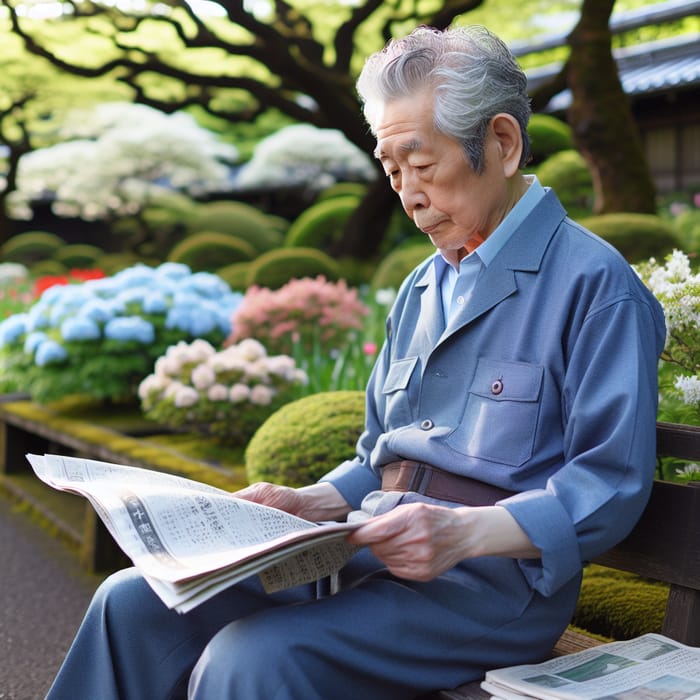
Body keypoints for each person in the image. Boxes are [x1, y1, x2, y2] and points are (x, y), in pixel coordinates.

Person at [46, 24, 666, 700]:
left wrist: (461, 535)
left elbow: (609, 483)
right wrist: (308, 501)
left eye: (420, 165)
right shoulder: (422, 286)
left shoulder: (596, 286)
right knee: (132, 602)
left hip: (490, 590)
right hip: (364, 548)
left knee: (250, 658)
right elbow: (379, 451)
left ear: (503, 143)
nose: (407, 194)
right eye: (391, 170)